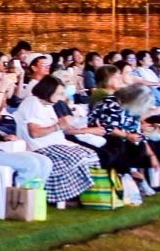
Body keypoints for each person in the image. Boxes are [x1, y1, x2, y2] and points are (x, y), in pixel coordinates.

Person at [13, 75, 98, 204]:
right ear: (48, 92)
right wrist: (58, 125)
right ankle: (61, 195)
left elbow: (61, 128)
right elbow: (34, 133)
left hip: (55, 143)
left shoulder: (48, 105)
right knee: (76, 156)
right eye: (59, 93)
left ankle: (74, 193)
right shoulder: (32, 103)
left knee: (90, 154)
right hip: (40, 146)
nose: (61, 96)